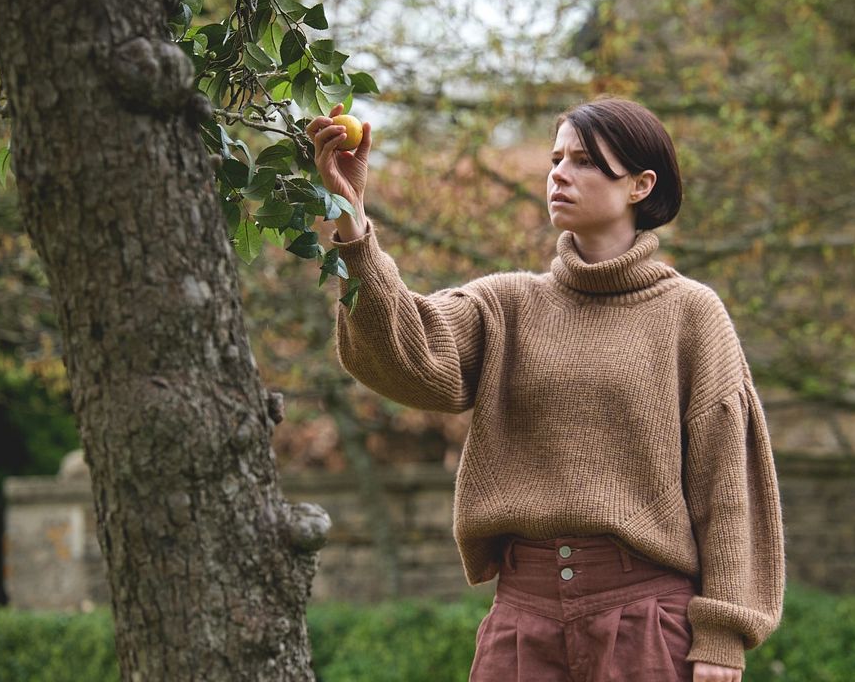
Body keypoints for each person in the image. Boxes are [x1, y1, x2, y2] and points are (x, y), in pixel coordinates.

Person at [305, 96, 785, 682]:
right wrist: (352, 221)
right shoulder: (507, 304)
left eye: (583, 160)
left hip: (648, 626)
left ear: (640, 184)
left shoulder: (691, 314)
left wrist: (722, 637)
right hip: (522, 625)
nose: (558, 172)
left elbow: (729, 486)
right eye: (555, 158)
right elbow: (405, 353)